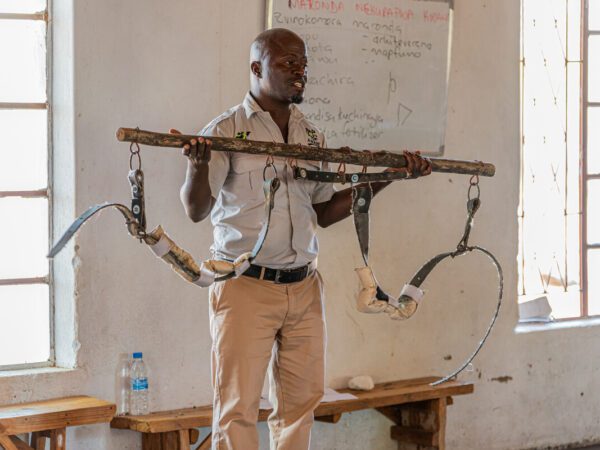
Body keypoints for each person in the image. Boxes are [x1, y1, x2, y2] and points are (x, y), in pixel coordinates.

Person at [175, 28, 431, 450]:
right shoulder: (227, 130)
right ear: (256, 68)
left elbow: (324, 212)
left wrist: (388, 178)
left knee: (300, 406)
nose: (300, 71)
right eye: (288, 62)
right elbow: (196, 210)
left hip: (304, 287)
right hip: (245, 286)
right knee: (238, 409)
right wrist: (197, 167)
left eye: (304, 64)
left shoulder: (310, 135)